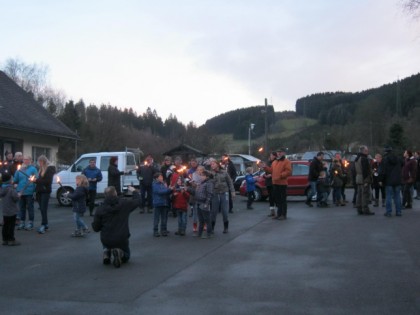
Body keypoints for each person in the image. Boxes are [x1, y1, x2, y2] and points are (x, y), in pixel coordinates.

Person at [92, 186, 140, 268]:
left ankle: (106, 251)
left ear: (105, 195)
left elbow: (96, 228)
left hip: (106, 238)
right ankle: (120, 253)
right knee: (127, 256)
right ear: (116, 193)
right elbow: (138, 201)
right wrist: (134, 191)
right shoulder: (124, 204)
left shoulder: (100, 209)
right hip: (122, 238)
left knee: (105, 235)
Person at [263, 148, 292, 220]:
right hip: (275, 183)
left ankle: (283, 214)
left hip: (282, 183)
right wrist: (265, 168)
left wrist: (280, 175)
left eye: (280, 152)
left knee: (283, 200)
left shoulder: (287, 161)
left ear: (283, 153)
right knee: (277, 200)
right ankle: (279, 214)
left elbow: (288, 172)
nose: (279, 153)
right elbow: (271, 171)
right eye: (278, 152)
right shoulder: (274, 162)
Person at [209, 158, 235, 233]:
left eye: (213, 163)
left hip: (224, 192)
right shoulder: (211, 173)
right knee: (214, 211)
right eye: (211, 164)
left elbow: (230, 182)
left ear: (217, 164)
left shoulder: (224, 172)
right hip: (215, 193)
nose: (212, 165)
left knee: (225, 211)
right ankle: (212, 228)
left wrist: (233, 191)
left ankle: (226, 227)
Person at [32, 155, 56, 234]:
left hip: (45, 191)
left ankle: (44, 224)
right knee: (42, 209)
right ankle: (45, 225)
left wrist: (36, 180)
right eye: (39, 162)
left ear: (44, 161)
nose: (39, 163)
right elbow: (40, 179)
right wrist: (34, 180)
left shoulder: (49, 169)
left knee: (43, 208)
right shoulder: (41, 169)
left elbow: (47, 181)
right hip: (39, 191)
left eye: (40, 161)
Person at [13, 155, 38, 230]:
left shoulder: (33, 169)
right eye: (24, 159)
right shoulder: (19, 169)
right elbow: (15, 179)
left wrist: (34, 189)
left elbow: (37, 178)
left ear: (30, 160)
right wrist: (14, 183)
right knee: (21, 208)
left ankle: (30, 222)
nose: (25, 161)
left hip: (29, 191)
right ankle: (22, 222)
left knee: (30, 207)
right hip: (20, 191)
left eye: (27, 159)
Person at [380, 146, 403, 217]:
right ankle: (398, 211)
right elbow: (402, 164)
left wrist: (381, 180)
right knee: (397, 196)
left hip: (388, 180)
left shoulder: (385, 160)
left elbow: (383, 171)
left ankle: (388, 212)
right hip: (397, 180)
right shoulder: (398, 159)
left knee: (388, 196)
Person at [1, 172, 20, 246]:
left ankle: (5, 239)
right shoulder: (11, 189)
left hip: (5, 210)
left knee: (5, 225)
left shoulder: (2, 188)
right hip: (12, 210)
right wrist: (18, 195)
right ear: (9, 180)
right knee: (11, 226)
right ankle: (11, 239)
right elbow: (15, 198)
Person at [354, 145, 374, 215]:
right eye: (366, 150)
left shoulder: (357, 158)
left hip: (358, 177)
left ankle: (359, 208)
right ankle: (365, 209)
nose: (367, 152)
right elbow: (366, 171)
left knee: (359, 194)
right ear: (363, 151)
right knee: (365, 194)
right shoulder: (364, 159)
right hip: (363, 178)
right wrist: (367, 180)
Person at [152, 172, 173, 237]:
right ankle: (155, 231)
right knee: (157, 218)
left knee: (164, 218)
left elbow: (166, 191)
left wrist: (170, 190)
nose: (161, 178)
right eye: (160, 177)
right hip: (158, 203)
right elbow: (160, 192)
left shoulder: (163, 184)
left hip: (164, 203)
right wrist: (169, 189)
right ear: (156, 178)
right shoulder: (154, 184)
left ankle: (163, 230)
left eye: (162, 177)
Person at [195, 170, 213, 239]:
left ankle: (209, 233)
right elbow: (197, 192)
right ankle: (199, 233)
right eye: (201, 175)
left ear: (206, 176)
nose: (201, 177)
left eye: (203, 175)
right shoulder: (201, 183)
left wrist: (207, 203)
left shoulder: (208, 183)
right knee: (201, 219)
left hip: (204, 202)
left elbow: (209, 194)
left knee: (207, 219)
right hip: (199, 202)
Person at [263, 152, 277, 216]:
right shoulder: (268, 162)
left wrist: (271, 175)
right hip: (268, 182)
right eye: (270, 155)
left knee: (275, 197)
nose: (270, 156)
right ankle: (272, 211)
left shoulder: (276, 162)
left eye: (271, 155)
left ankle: (278, 211)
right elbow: (266, 171)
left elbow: (276, 172)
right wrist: (264, 175)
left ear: (274, 156)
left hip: (274, 182)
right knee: (270, 198)